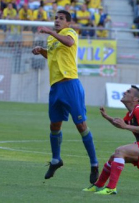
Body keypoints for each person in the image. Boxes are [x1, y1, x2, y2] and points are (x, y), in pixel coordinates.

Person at [31, 10, 99, 184]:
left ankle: (94, 164)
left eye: (61, 19)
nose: (57, 21)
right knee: (54, 125)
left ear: (68, 22)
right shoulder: (52, 39)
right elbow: (53, 55)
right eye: (56, 18)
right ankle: (56, 160)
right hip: (55, 86)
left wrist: (50, 31)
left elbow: (68, 43)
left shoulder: (70, 33)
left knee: (81, 125)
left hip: (70, 85)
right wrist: (42, 51)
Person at [83, 85, 139, 195]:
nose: (124, 92)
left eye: (128, 92)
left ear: (135, 99)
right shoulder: (131, 113)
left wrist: (125, 126)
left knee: (120, 151)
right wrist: (107, 117)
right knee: (113, 157)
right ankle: (98, 186)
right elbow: (121, 124)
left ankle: (111, 188)